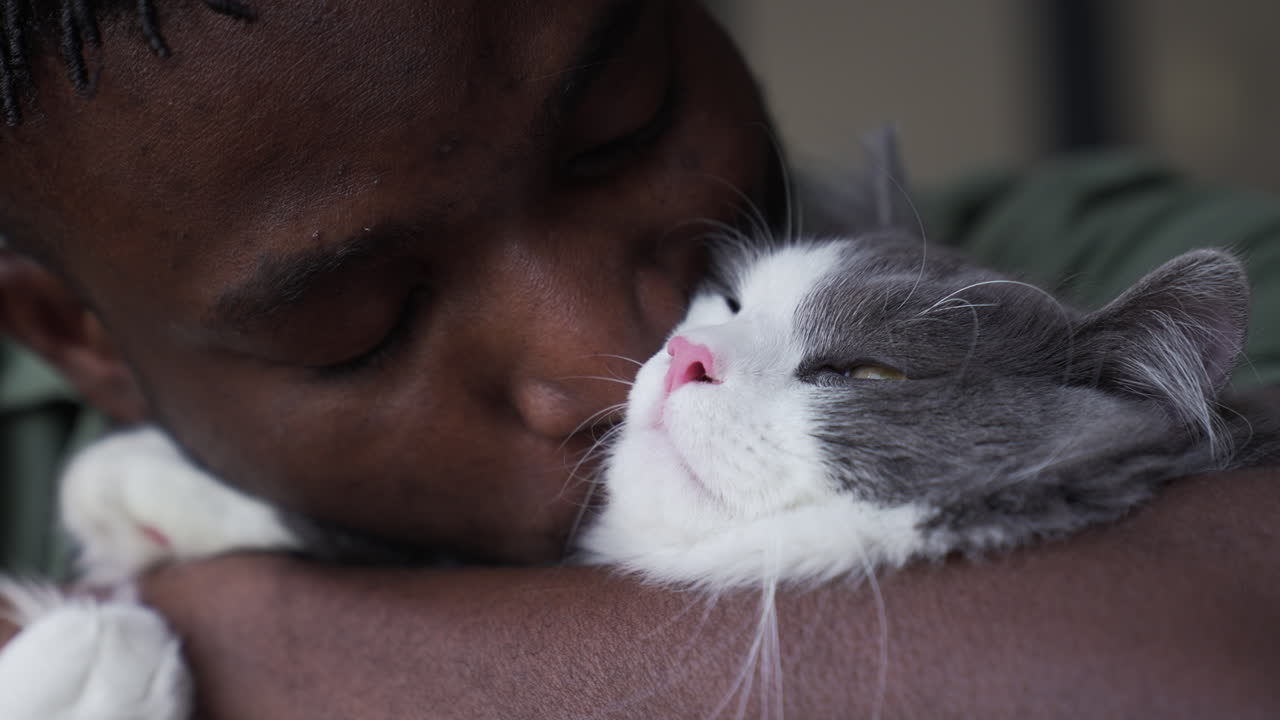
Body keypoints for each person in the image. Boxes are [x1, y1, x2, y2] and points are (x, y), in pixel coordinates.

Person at [1, 1, 1278, 717]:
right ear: (79, 341)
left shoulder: (1066, 260)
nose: (625, 350)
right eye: (368, 320)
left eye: (622, 129)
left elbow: (1208, 658)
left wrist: (248, 634)